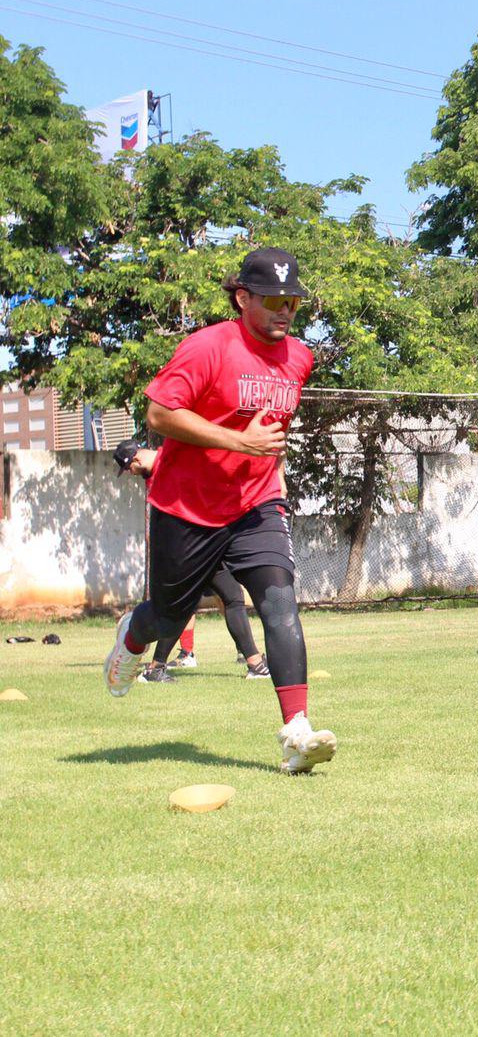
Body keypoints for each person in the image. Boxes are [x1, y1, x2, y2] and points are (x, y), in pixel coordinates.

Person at [101, 247, 337, 774]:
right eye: (274, 300)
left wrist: (266, 474)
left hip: (256, 503)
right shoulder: (208, 347)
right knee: (166, 615)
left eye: (293, 303)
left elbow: (271, 434)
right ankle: (132, 640)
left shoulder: (299, 358)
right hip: (186, 507)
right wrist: (239, 442)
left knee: (279, 599)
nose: (284, 311)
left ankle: (296, 731)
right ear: (243, 297)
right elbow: (160, 414)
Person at [114, 440, 270, 684]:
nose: (132, 475)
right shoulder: (160, 469)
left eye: (130, 470)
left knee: (228, 597)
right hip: (193, 549)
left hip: (198, 545)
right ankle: (253, 663)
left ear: (135, 460)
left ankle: (253, 663)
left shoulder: (170, 464)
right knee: (198, 605)